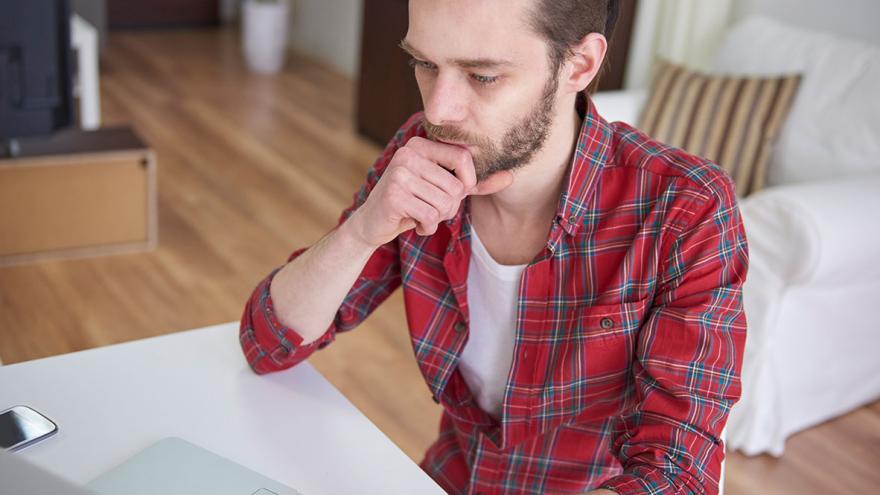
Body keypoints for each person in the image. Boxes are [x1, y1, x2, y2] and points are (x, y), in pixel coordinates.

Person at [239, 0, 748, 493]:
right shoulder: (420, 157)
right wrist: (362, 231)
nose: (438, 109)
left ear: (579, 65)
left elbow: (677, 473)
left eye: (482, 76)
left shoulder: (685, 210)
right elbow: (266, 344)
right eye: (424, 64)